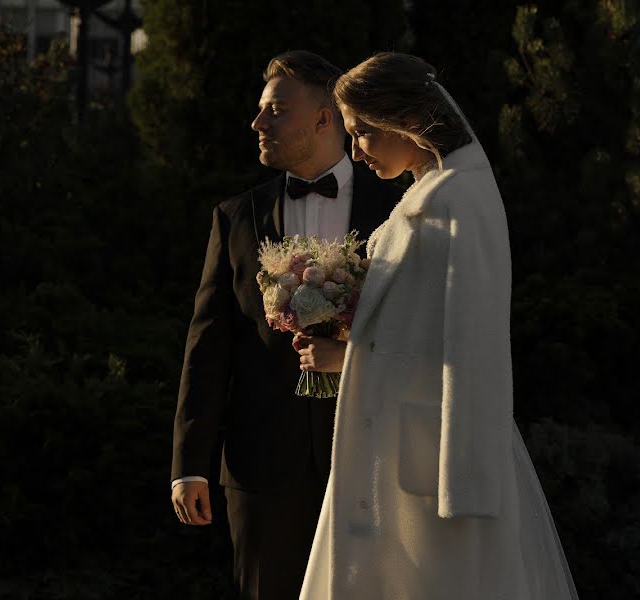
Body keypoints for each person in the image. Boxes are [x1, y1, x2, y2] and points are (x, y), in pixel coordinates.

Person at [297, 52, 580, 599]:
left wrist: (347, 358)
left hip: (437, 468)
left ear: (401, 117)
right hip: (398, 455)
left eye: (363, 133)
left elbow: (474, 344)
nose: (355, 150)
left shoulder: (460, 199)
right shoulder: (431, 192)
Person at [170, 50, 400, 600]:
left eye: (275, 109)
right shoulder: (236, 217)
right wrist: (189, 464)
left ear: (325, 120)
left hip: (373, 458)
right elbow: (209, 346)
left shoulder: (399, 209)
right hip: (259, 466)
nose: (258, 123)